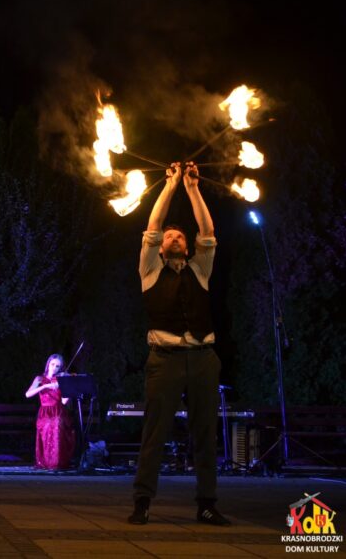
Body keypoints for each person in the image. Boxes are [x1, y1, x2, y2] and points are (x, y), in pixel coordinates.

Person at [129, 162, 230, 526]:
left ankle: (206, 504)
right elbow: (152, 228)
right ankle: (142, 502)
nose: (174, 239)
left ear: (188, 249)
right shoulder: (150, 270)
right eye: (170, 238)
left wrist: (192, 187)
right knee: (155, 432)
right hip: (165, 360)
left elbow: (208, 229)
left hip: (203, 358)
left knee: (205, 433)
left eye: (180, 238)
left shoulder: (200, 270)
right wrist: (170, 185)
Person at [25, 353, 75, 470]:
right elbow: (28, 394)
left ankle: (56, 463)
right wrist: (44, 387)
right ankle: (46, 462)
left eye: (57, 366)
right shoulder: (39, 379)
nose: (54, 368)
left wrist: (67, 387)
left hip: (59, 411)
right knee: (49, 423)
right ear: (48, 364)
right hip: (44, 412)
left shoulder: (61, 379)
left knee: (57, 422)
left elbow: (63, 402)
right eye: (52, 364)